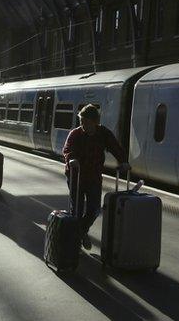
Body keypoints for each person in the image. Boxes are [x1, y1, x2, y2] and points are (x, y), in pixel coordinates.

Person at [62, 104, 130, 250]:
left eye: (86, 122)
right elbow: (67, 150)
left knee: (94, 209)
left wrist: (123, 161)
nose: (82, 124)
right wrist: (71, 159)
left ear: (95, 122)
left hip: (93, 176)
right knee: (77, 210)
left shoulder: (103, 133)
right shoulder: (75, 134)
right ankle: (75, 242)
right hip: (76, 176)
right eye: (81, 121)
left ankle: (80, 232)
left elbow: (115, 147)